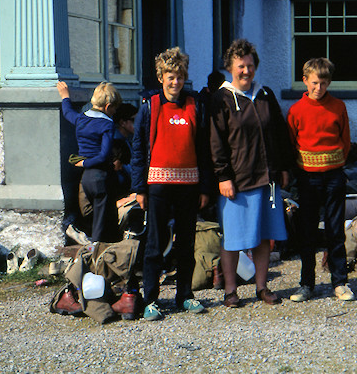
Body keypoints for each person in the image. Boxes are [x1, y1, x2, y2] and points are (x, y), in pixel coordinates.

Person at [131, 46, 212, 321]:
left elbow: (203, 149)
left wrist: (204, 188)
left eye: (179, 76)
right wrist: (139, 188)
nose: (175, 82)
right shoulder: (149, 106)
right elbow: (138, 149)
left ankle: (185, 295)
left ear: (184, 77)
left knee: (186, 244)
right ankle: (151, 299)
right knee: (154, 245)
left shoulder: (195, 105)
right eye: (169, 76)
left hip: (189, 186)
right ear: (161, 77)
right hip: (157, 186)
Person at [209, 38, 292, 308]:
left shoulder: (265, 95)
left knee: (262, 237)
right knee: (233, 239)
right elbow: (215, 141)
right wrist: (223, 176)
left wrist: (283, 168)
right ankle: (231, 291)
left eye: (250, 65)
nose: (246, 71)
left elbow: (279, 134)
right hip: (237, 181)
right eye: (241, 66)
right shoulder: (220, 99)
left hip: (267, 179)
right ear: (230, 67)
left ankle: (261, 286)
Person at [286, 57, 355, 302]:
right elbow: (291, 144)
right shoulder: (295, 110)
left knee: (336, 230)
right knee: (307, 232)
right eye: (315, 83)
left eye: (324, 83)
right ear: (305, 81)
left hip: (334, 175)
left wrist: (334, 164)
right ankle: (307, 284)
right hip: (307, 178)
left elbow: (345, 142)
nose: (319, 88)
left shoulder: (338, 107)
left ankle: (340, 282)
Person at [57, 81, 122, 243]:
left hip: (86, 179)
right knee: (103, 223)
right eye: (114, 108)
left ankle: (89, 243)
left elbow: (67, 112)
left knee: (91, 216)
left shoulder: (81, 119)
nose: (114, 112)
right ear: (107, 107)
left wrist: (65, 96)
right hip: (101, 176)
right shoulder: (107, 124)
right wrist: (85, 163)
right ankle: (98, 258)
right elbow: (103, 155)